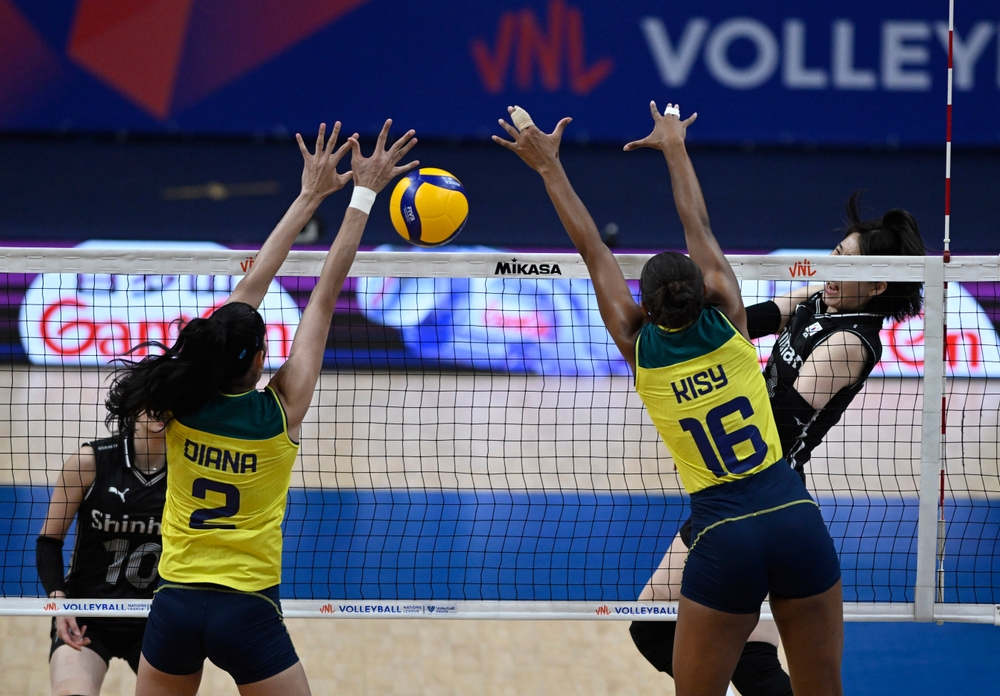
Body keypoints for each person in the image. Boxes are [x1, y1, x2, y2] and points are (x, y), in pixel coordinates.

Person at [494, 102, 844, 696]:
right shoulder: (732, 320)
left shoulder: (638, 347)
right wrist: (676, 148)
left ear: (646, 308)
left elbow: (590, 249)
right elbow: (698, 227)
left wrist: (549, 167)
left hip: (723, 535)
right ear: (703, 290)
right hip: (794, 519)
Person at [104, 119, 418, 696]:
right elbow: (326, 293)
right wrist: (363, 193)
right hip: (245, 610)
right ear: (258, 362)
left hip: (172, 604)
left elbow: (239, 306)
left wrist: (306, 197)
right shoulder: (279, 414)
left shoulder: (180, 402)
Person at [629, 196, 925, 696]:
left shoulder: (850, 342)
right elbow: (751, 319)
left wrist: (703, 403)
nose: (832, 270)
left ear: (877, 286)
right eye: (836, 253)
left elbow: (782, 425)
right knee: (653, 625)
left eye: (848, 266)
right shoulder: (822, 296)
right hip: (734, 482)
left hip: (763, 486)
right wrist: (692, 322)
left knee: (658, 626)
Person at [37, 413, 167, 696]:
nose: (164, 408)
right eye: (154, 398)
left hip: (156, 618)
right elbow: (48, 541)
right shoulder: (89, 462)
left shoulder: (188, 469)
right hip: (87, 615)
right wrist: (59, 605)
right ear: (134, 404)